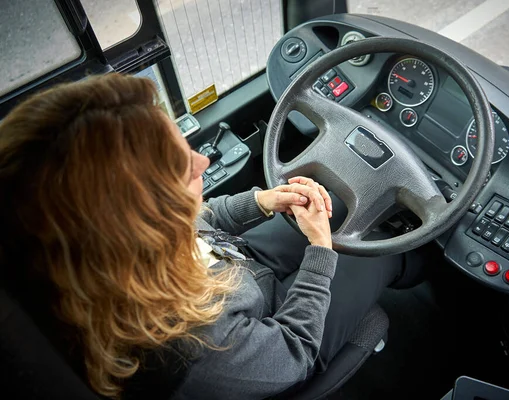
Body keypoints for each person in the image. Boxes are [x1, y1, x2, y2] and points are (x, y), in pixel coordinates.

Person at [0, 74, 408, 399]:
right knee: (381, 249)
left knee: (339, 205)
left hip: (240, 272)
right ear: (145, 228)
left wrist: (262, 201)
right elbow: (291, 351)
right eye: (182, 167)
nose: (204, 160)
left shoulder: (111, 253)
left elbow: (199, 220)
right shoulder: (193, 353)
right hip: (276, 341)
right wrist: (320, 249)